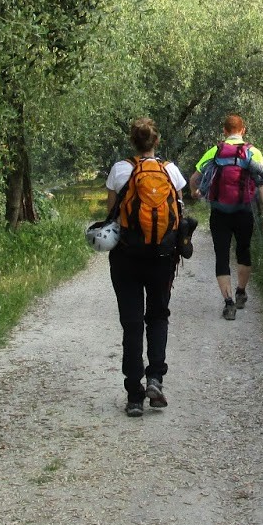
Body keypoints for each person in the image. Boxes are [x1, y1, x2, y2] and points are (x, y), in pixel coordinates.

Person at [104, 118, 187, 418]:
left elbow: (111, 214)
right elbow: (178, 213)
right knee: (158, 316)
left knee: (132, 322)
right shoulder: (171, 172)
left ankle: (134, 395)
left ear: (132, 142)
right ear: (156, 142)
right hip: (162, 259)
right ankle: (156, 379)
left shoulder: (119, 170)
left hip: (126, 257)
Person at [194, 114, 263, 321]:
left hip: (219, 212)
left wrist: (196, 191)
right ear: (243, 130)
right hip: (243, 211)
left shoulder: (215, 151)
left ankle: (228, 304)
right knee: (243, 250)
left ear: (225, 131)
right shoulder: (253, 152)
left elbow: (194, 177)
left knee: (221, 255)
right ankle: (240, 292)